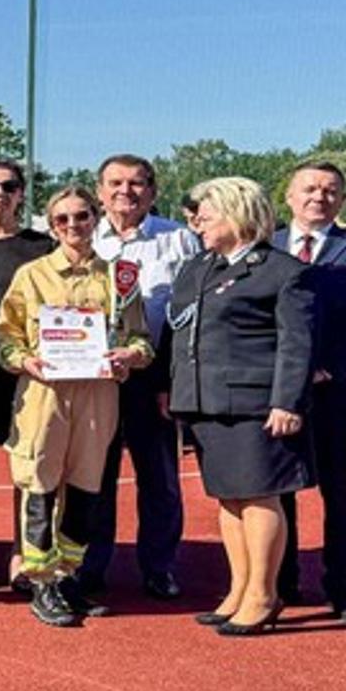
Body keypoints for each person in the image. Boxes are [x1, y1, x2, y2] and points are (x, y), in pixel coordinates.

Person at [167, 176, 319, 637]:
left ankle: (263, 593)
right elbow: (179, 333)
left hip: (256, 404)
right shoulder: (199, 268)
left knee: (258, 496)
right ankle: (239, 588)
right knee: (229, 498)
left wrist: (286, 401)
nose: (197, 224)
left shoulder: (282, 271)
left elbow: (297, 344)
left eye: (206, 216)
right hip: (206, 399)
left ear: (236, 214)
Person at [0, 186, 151, 626]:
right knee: (39, 484)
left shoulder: (120, 277)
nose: (73, 226)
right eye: (62, 220)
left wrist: (129, 357)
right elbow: (4, 337)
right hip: (44, 393)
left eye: (81, 217)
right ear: (51, 225)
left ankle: (68, 576)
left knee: (85, 488)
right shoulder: (33, 275)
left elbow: (141, 340)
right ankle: (40, 579)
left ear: (95, 218)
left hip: (99, 394)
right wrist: (25, 360)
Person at [270, 161, 346, 624]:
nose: (319, 197)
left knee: (339, 490)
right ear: (289, 196)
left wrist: (325, 369)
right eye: (310, 189)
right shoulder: (267, 246)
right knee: (279, 488)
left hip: (333, 391)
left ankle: (341, 588)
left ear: (342, 201)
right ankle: (281, 583)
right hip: (278, 392)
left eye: (330, 191)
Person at [81, 154, 201, 606]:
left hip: (155, 378)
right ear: (99, 189)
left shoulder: (179, 240)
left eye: (136, 184)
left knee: (160, 477)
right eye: (115, 183)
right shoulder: (81, 235)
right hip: (93, 377)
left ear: (152, 191)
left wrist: (176, 380)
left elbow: (190, 319)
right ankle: (92, 566)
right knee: (96, 475)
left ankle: (159, 567)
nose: (124, 192)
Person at [0, 159, 55, 592]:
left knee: (25, 465)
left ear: (21, 193)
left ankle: (21, 551)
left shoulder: (41, 246)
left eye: (9, 185)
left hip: (26, 372)